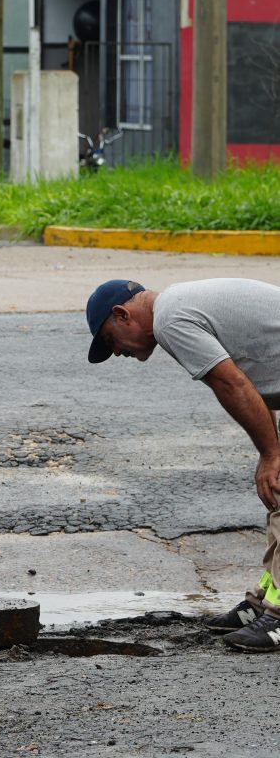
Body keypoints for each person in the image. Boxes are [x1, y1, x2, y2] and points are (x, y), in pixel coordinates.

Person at [86, 278, 280, 652]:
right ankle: (267, 602)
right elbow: (261, 375)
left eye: (111, 341)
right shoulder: (180, 304)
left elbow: (232, 385)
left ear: (122, 314)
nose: (118, 353)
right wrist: (272, 452)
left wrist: (271, 455)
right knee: (278, 494)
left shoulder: (170, 319)